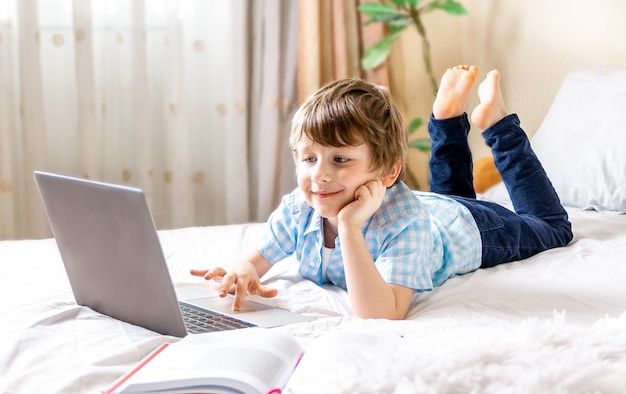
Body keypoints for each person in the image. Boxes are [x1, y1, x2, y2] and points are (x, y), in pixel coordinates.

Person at [191, 65, 573, 320]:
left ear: (389, 172)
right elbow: (255, 261)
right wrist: (242, 270)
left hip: (470, 229)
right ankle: (447, 117)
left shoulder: (405, 228)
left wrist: (350, 228)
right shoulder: (299, 209)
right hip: (427, 208)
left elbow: (382, 314)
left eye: (340, 159)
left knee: (552, 226)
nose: (319, 176)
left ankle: (497, 125)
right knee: (456, 193)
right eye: (308, 159)